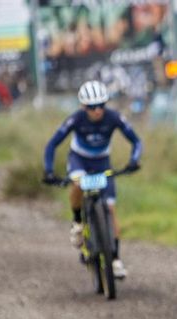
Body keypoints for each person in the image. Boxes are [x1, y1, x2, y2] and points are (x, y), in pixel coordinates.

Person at [42, 81, 142, 279]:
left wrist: (133, 161)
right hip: (79, 160)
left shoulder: (114, 117)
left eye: (101, 106)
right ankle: (78, 221)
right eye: (91, 107)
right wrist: (49, 171)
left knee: (111, 209)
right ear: (83, 106)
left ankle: (115, 259)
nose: (97, 111)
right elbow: (52, 145)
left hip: (102, 162)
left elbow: (136, 140)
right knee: (78, 183)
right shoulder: (76, 119)